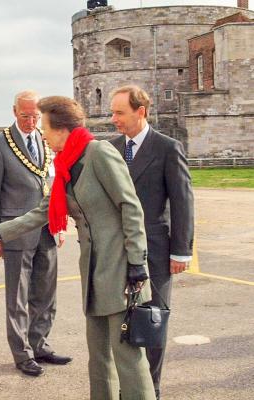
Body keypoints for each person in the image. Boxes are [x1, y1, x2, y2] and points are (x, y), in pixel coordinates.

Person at [0, 95, 156, 399]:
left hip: (123, 271)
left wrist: (137, 263)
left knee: (128, 357)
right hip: (93, 272)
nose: (42, 134)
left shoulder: (99, 154)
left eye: (45, 127)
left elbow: (130, 207)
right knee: (99, 357)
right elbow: (40, 212)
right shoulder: (66, 165)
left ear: (61, 129)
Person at [109, 85, 194, 400]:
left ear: (140, 111)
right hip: (116, 250)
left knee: (152, 318)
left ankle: (151, 389)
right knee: (122, 320)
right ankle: (128, 386)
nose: (113, 118)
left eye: (120, 112)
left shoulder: (167, 148)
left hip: (155, 250)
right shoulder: (111, 148)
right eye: (113, 112)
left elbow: (183, 202)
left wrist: (181, 250)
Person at [0, 90, 70, 377]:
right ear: (14, 112)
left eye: (35, 116)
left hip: (47, 226)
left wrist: (59, 223)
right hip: (16, 228)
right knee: (18, 297)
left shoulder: (45, 141)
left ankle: (40, 344)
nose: (31, 121)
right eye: (25, 116)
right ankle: (22, 353)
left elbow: (53, 182)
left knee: (46, 291)